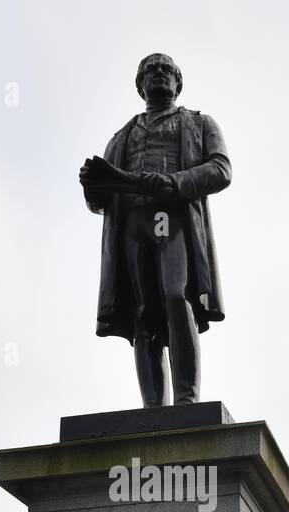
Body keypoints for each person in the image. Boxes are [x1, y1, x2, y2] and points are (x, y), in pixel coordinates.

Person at [80, 53, 231, 407]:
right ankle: (152, 408)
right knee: (143, 311)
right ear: (140, 85)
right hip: (134, 224)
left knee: (176, 297)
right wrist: (91, 187)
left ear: (178, 83)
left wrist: (175, 182)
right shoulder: (122, 137)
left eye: (167, 70)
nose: (159, 75)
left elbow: (221, 169)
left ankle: (186, 400)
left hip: (172, 219)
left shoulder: (199, 123)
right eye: (151, 71)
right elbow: (99, 200)